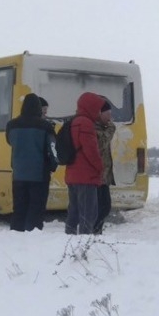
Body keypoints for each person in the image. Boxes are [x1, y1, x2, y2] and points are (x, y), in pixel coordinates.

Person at [5, 93, 56, 231]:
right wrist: (53, 165)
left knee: (19, 208)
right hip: (39, 174)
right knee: (36, 209)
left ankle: (16, 233)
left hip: (18, 174)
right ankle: (32, 235)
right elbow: (52, 148)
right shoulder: (45, 126)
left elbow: (10, 141)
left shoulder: (11, 125)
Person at [64, 92, 106, 235]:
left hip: (72, 174)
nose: (99, 112)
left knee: (74, 211)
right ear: (91, 107)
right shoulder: (86, 124)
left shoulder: (74, 121)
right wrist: (100, 167)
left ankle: (68, 239)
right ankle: (84, 242)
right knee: (88, 214)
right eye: (98, 109)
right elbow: (91, 151)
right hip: (85, 176)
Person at [94, 96, 116, 233]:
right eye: (107, 113)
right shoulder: (93, 128)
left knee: (105, 206)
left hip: (104, 177)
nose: (110, 117)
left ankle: (97, 231)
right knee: (99, 207)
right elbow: (100, 145)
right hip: (96, 175)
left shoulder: (103, 127)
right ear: (99, 114)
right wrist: (111, 129)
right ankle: (93, 232)